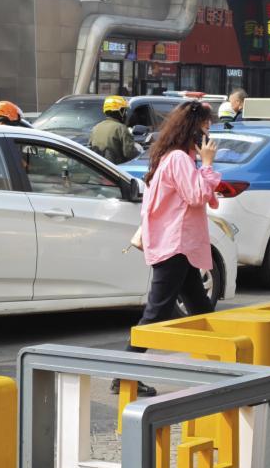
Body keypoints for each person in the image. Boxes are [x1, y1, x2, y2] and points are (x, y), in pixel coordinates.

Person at [119, 101, 221, 396]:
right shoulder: (178, 159)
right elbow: (197, 195)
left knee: (201, 309)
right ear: (193, 130)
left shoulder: (175, 157)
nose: (208, 136)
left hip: (179, 246)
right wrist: (208, 164)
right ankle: (121, 375)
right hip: (175, 244)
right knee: (156, 313)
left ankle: (223, 368)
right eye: (205, 129)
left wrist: (203, 166)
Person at [88, 95, 139, 163]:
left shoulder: (96, 127)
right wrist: (139, 153)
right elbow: (129, 153)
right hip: (115, 167)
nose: (126, 113)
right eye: (124, 110)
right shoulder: (121, 128)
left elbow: (90, 148)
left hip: (98, 167)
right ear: (120, 111)